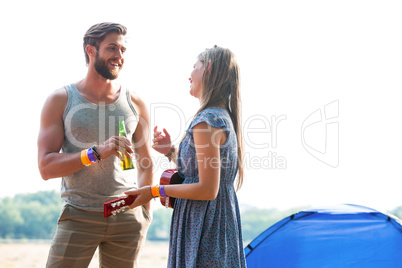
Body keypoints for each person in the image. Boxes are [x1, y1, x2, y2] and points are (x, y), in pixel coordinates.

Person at [37, 22, 153, 267]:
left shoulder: (136, 103)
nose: (119, 56)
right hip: (79, 215)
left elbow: (146, 162)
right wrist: (95, 153)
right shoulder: (61, 100)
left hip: (127, 217)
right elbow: (46, 167)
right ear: (91, 51)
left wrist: (144, 212)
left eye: (123, 50)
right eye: (112, 48)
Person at [125, 45, 247, 267]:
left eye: (195, 66)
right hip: (220, 220)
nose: (189, 74)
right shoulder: (222, 116)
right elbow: (205, 171)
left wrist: (153, 191)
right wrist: (172, 151)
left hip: (204, 224)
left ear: (208, 68)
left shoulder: (206, 121)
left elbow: (208, 189)